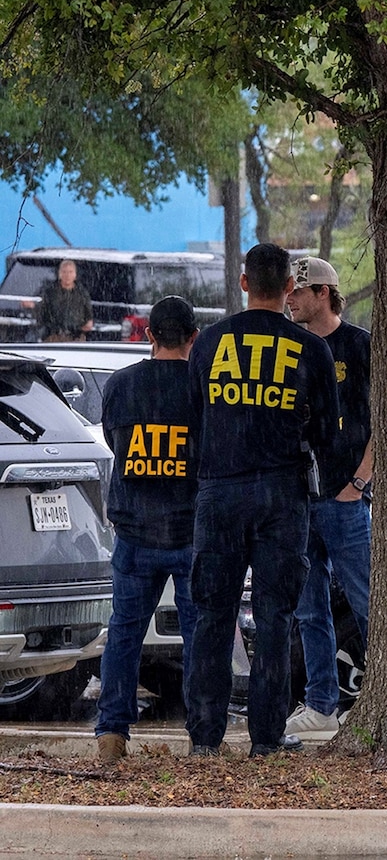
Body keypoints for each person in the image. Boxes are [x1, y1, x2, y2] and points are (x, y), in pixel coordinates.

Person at [184, 243, 340, 758]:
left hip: (220, 490)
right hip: (282, 494)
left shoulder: (208, 343)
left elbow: (192, 422)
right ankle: (267, 737)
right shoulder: (312, 350)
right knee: (276, 616)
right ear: (290, 290)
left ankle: (205, 737)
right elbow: (327, 434)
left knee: (213, 613)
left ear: (245, 282)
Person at [93, 296, 201, 763]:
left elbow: (115, 440)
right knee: (200, 633)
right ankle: (203, 732)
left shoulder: (120, 385)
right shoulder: (203, 389)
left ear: (149, 335)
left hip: (135, 531)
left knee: (124, 633)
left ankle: (111, 734)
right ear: (194, 337)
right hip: (190, 530)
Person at [282, 257, 373, 737]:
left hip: (344, 500)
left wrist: (357, 484)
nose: (290, 300)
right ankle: (321, 704)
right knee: (309, 607)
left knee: (366, 601)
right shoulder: (290, 349)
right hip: (299, 499)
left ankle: (382, 696)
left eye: (298, 292)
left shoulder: (359, 346)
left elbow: (385, 423)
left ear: (324, 293)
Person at [37, 259, 94, 342]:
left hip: (76, 338)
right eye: (64, 272)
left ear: (75, 274)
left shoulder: (82, 293)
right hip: (53, 337)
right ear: (60, 274)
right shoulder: (50, 293)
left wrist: (85, 326)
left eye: (70, 272)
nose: (67, 275)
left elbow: (89, 318)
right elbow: (41, 315)